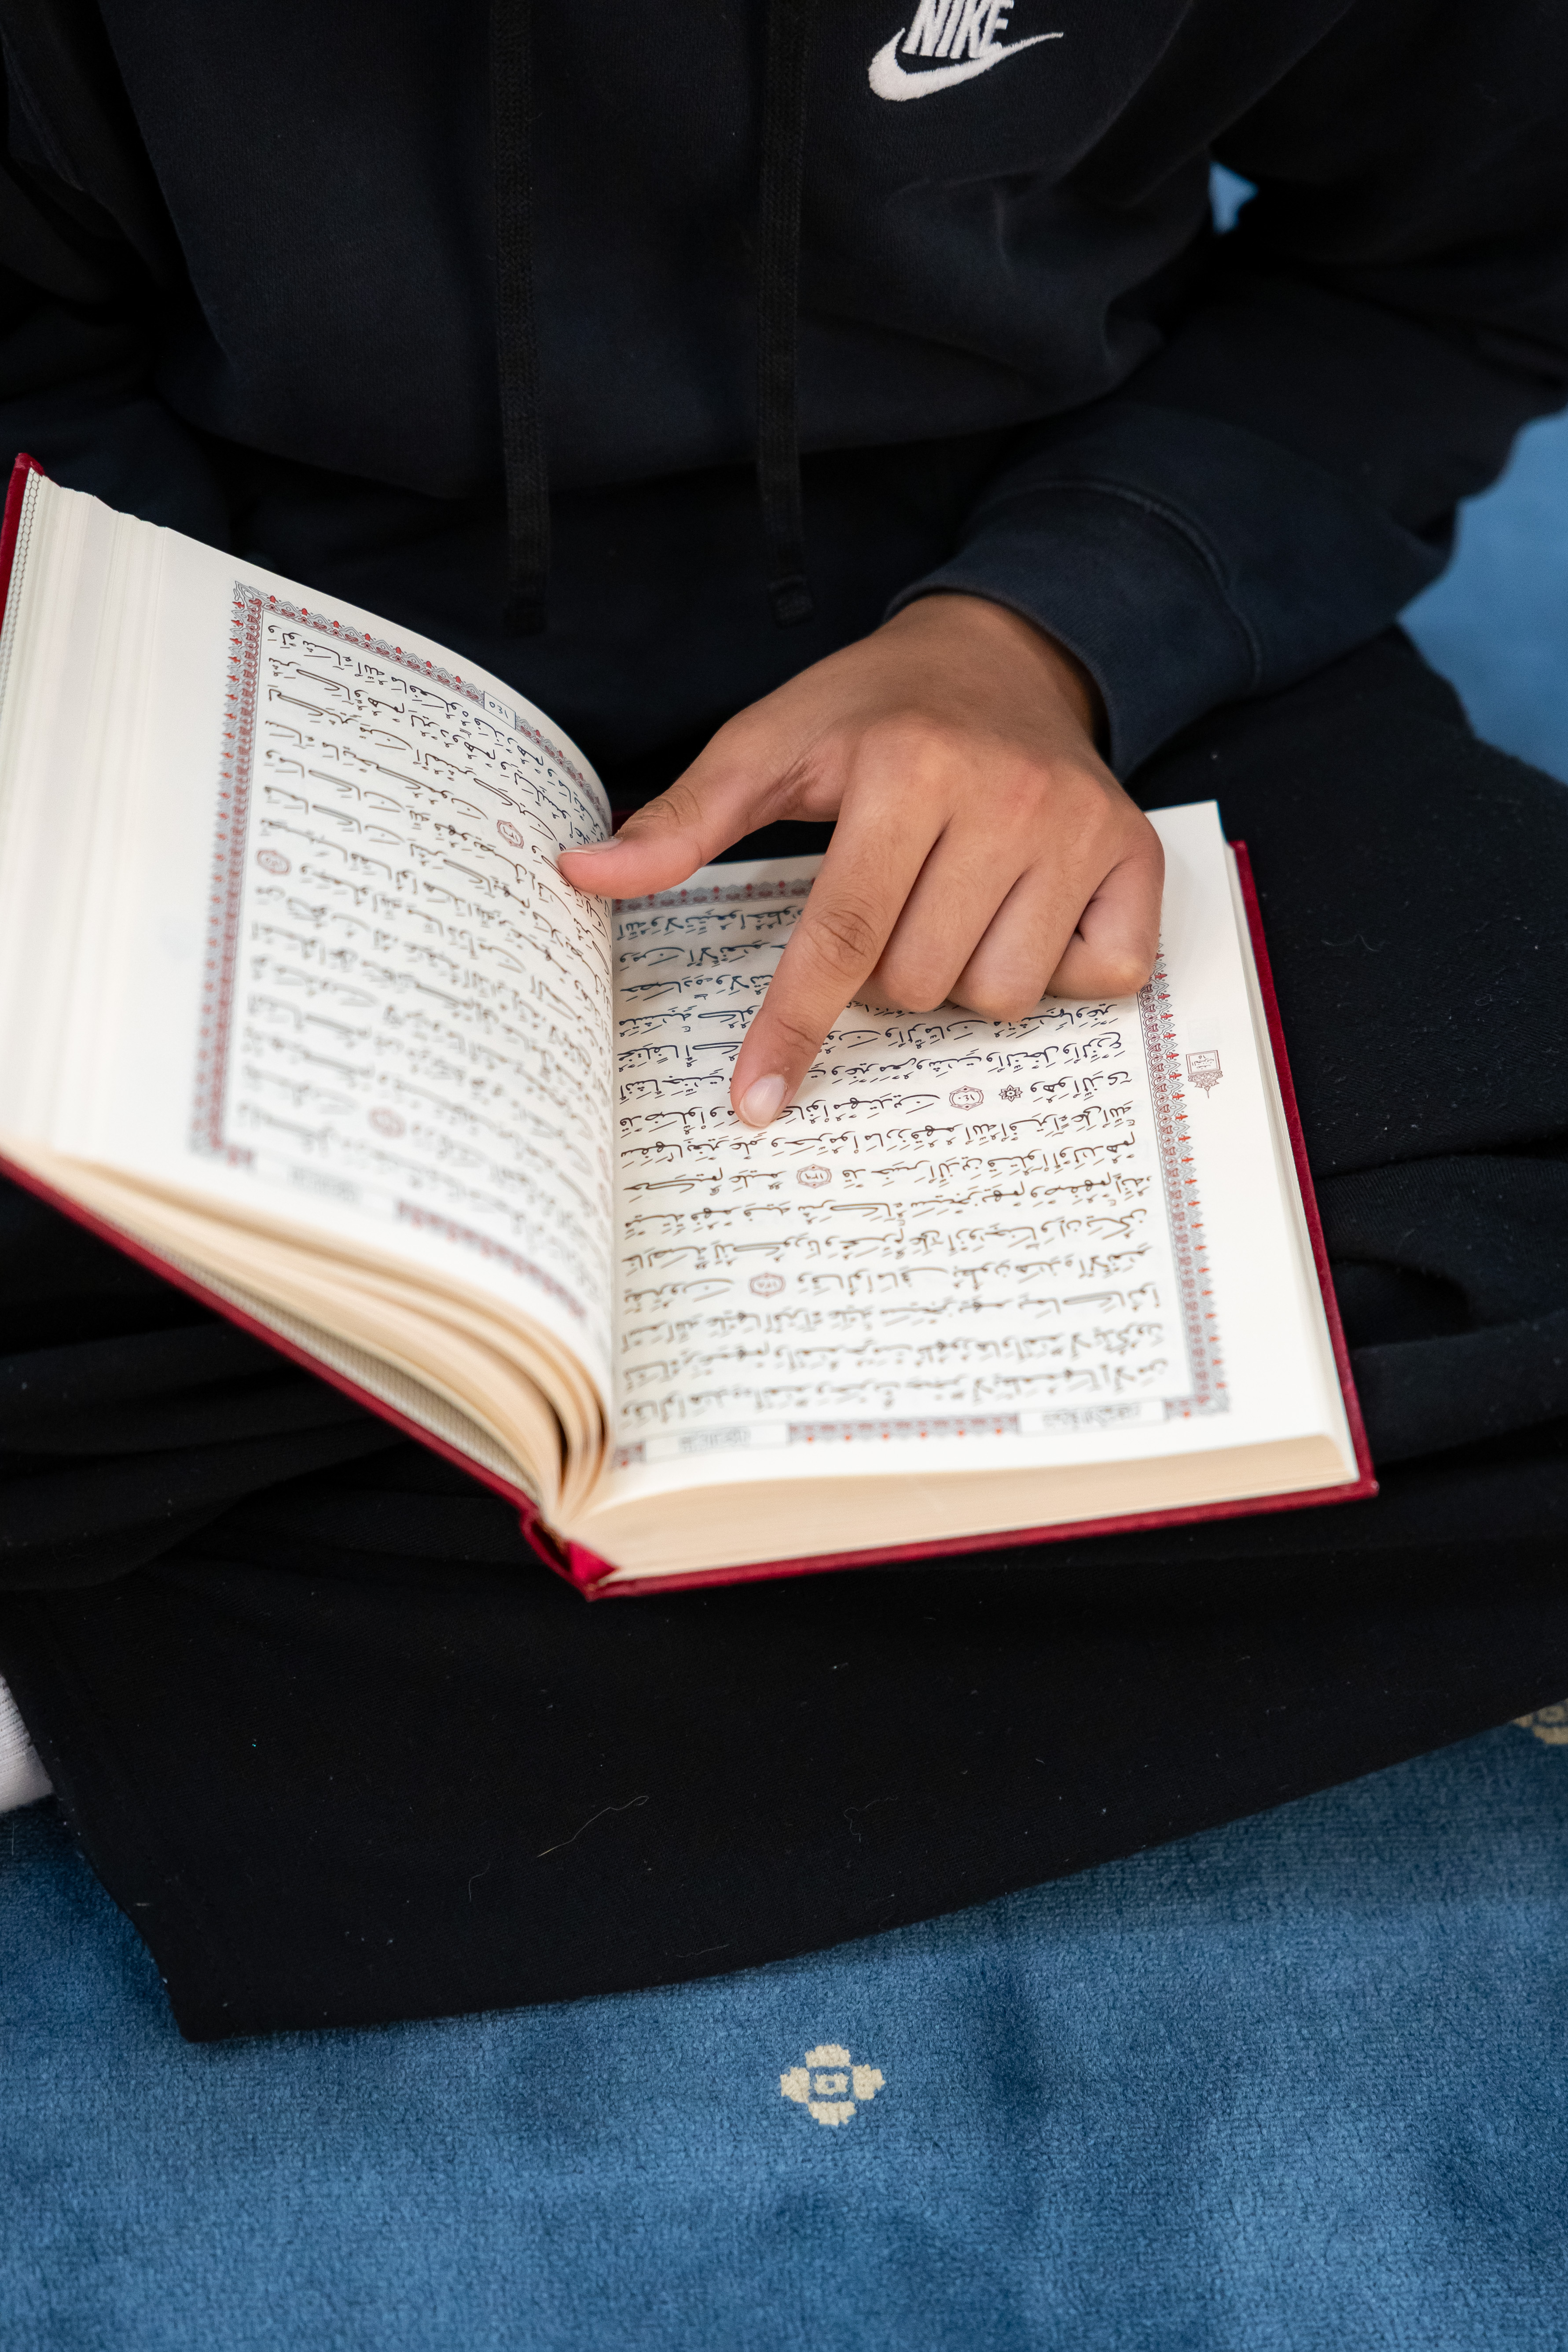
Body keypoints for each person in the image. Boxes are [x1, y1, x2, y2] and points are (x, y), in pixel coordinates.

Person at [0, 0, 1565, 2040]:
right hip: (258, 666)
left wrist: (1052, 633)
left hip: (1020, 636)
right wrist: (253, 739)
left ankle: (115, 1658)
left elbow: (1463, 267)